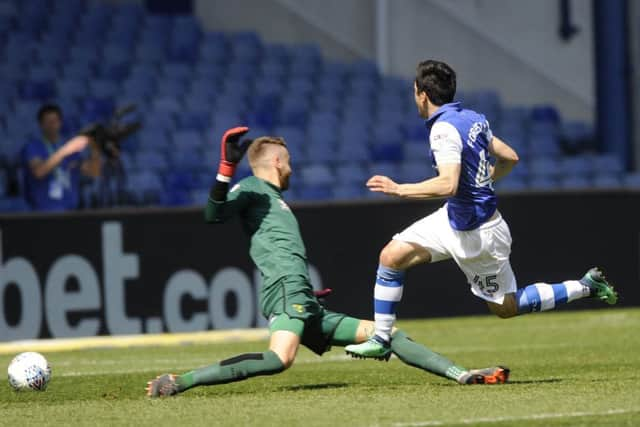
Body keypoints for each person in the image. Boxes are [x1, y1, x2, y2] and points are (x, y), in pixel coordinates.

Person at [146, 127, 509, 397]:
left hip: (304, 299)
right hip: (288, 293)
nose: (291, 169)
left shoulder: (270, 197)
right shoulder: (254, 188)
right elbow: (214, 214)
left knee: (385, 333)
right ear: (276, 161)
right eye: (287, 162)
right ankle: (180, 381)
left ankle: (463, 375)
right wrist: (226, 167)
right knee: (279, 359)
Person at [344, 60, 618, 360]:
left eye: (414, 92)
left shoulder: (443, 130)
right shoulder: (472, 118)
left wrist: (400, 189)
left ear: (422, 94)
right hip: (453, 219)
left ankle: (584, 286)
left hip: (480, 235)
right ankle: (382, 338)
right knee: (391, 256)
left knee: (505, 308)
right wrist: (483, 179)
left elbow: (448, 184)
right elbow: (510, 157)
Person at [21, 104, 101, 211]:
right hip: (43, 212)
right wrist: (65, 151)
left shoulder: (71, 148)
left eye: (55, 121)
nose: (52, 125)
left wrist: (95, 150)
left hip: (69, 211)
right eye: (48, 122)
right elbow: (39, 172)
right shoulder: (33, 147)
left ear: (60, 122)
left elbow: (94, 173)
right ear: (41, 124)